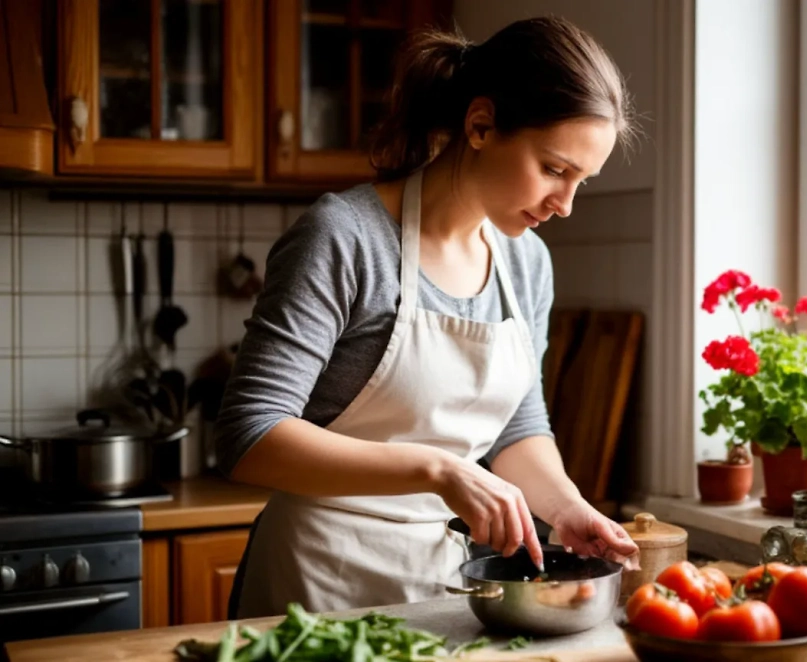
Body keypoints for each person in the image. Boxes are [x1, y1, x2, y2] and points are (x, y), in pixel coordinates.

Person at [216, 16, 641, 619]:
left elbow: (518, 427)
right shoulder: (345, 238)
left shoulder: (527, 264)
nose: (566, 204)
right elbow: (248, 435)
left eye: (581, 181)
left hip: (439, 590)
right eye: (554, 169)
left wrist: (566, 507)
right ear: (481, 125)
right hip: (313, 586)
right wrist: (440, 470)